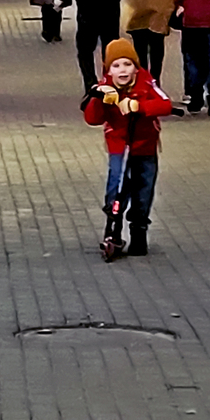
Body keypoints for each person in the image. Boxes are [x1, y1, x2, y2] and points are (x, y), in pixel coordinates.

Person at [82, 37, 174, 258]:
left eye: (127, 64)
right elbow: (92, 118)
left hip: (145, 146)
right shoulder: (105, 88)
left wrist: (139, 105)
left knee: (143, 189)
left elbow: (165, 103)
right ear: (109, 70)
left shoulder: (146, 83)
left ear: (136, 67)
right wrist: (100, 99)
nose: (122, 70)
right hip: (119, 146)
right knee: (116, 185)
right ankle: (113, 226)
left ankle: (139, 230)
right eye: (116, 66)